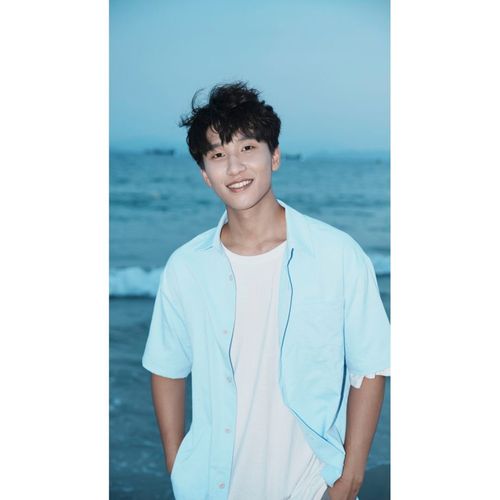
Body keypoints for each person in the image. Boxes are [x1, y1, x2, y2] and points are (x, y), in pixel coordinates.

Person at [142, 82, 390, 500]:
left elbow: (370, 366)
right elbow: (167, 367)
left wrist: (350, 478)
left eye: (247, 148)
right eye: (217, 155)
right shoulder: (186, 268)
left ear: (274, 155)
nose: (234, 167)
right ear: (204, 175)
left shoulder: (337, 254)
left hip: (311, 486)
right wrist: (176, 465)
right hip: (213, 488)